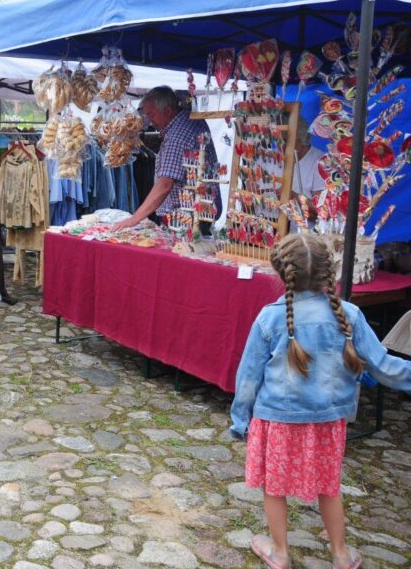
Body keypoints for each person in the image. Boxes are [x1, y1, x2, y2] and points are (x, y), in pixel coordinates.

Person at [230, 233, 411, 569]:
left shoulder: (269, 318)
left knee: (274, 486)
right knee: (329, 486)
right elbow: (385, 367)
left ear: (280, 273)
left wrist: (240, 421)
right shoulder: (351, 315)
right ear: (330, 271)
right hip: (329, 423)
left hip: (278, 420)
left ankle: (279, 552)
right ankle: (341, 554)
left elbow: (248, 378)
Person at [111, 86, 219, 232]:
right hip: (202, 210)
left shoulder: (177, 136)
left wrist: (135, 218)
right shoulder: (191, 119)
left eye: (152, 114)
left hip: (186, 218)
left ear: (168, 111)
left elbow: (165, 184)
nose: (149, 121)